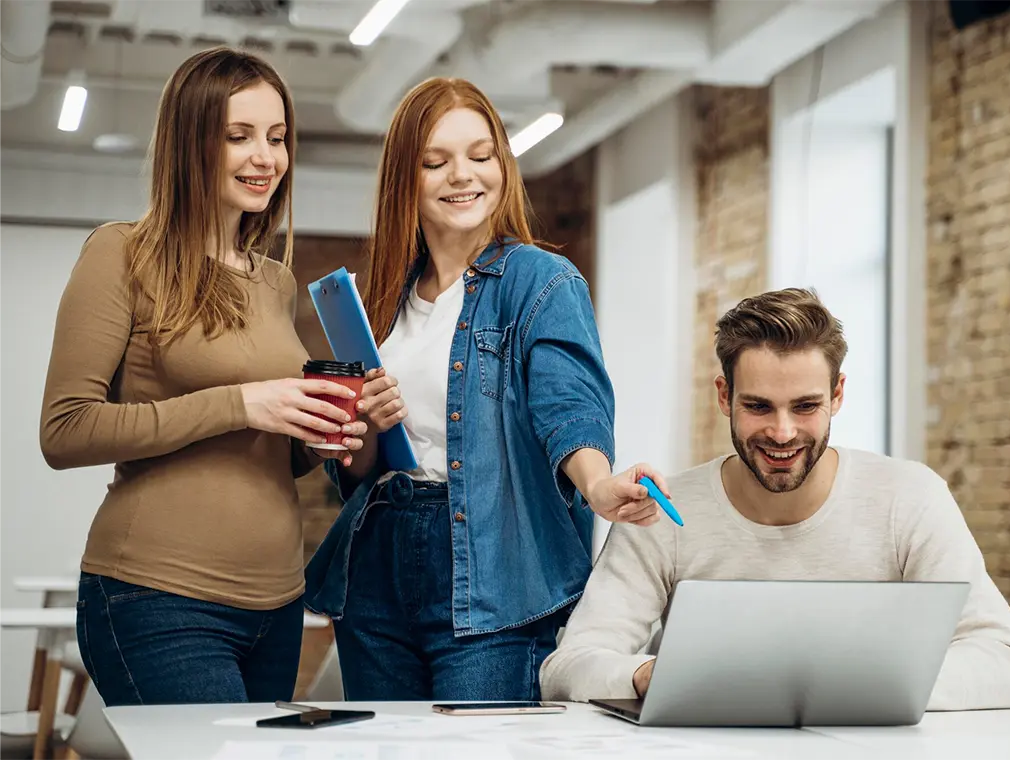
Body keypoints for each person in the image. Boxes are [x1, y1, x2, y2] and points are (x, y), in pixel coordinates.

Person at [304, 77, 668, 701]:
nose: (462, 176)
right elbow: (361, 468)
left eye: (480, 155)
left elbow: (568, 404)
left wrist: (597, 482)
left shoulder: (540, 281)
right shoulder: (382, 301)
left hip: (497, 572)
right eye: (435, 161)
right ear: (405, 179)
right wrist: (365, 422)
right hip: (377, 569)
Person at [39, 47, 367, 706]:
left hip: (278, 605)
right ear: (191, 143)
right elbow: (65, 430)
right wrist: (241, 403)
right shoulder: (122, 254)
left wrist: (330, 430)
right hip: (157, 597)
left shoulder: (273, 280)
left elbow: (276, 454)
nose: (265, 157)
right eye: (238, 136)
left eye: (276, 138)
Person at [539, 288, 1010, 711]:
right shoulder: (664, 511)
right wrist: (651, 674)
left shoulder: (909, 497)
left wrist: (851, 686)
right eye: (758, 406)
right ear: (723, 396)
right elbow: (566, 668)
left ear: (837, 395)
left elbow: (1007, 662)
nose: (782, 432)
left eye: (806, 406)